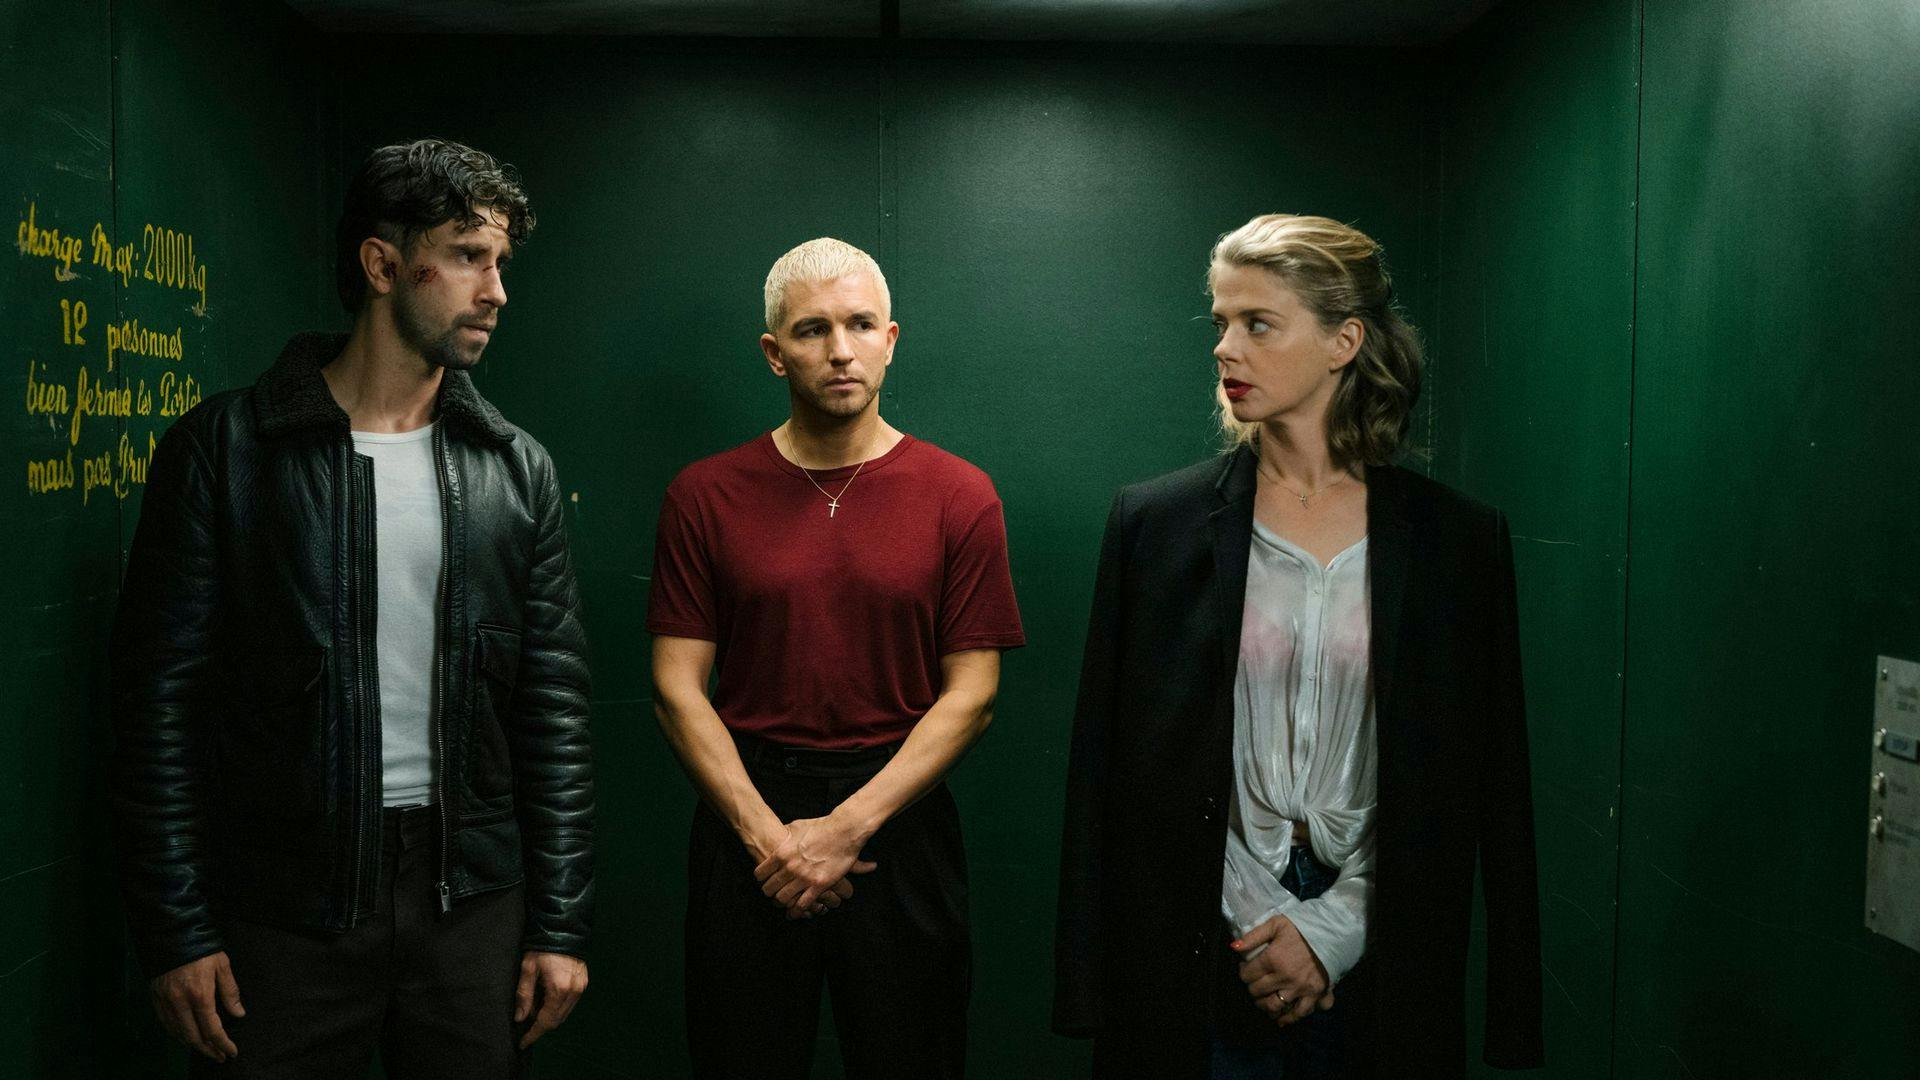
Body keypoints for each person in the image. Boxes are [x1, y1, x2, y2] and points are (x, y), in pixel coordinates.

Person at [110, 138, 594, 1077]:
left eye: (500, 262)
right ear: (381, 265)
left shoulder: (515, 470)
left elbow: (555, 712)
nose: (496, 290)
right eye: (467, 255)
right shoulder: (228, 449)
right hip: (282, 905)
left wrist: (561, 925)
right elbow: (156, 708)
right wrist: (176, 930)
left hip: (469, 903)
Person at [1052, 214, 1543, 1078]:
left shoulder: (1456, 541)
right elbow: (1112, 770)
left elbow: (1481, 781)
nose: (1225, 348)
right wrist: (1255, 918)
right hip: (1198, 946)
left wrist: (1333, 929)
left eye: (1258, 324)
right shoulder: (1156, 525)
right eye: (1221, 323)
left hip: (1384, 952)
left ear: (1342, 342)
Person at [649, 237, 1025, 1080]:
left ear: (891, 340)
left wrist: (845, 828)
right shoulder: (705, 494)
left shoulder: (960, 494)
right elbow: (676, 688)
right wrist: (771, 842)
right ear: (774, 352)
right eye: (813, 330)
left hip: (898, 819)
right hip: (750, 821)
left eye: (859, 325)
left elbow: (973, 694)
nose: (840, 350)